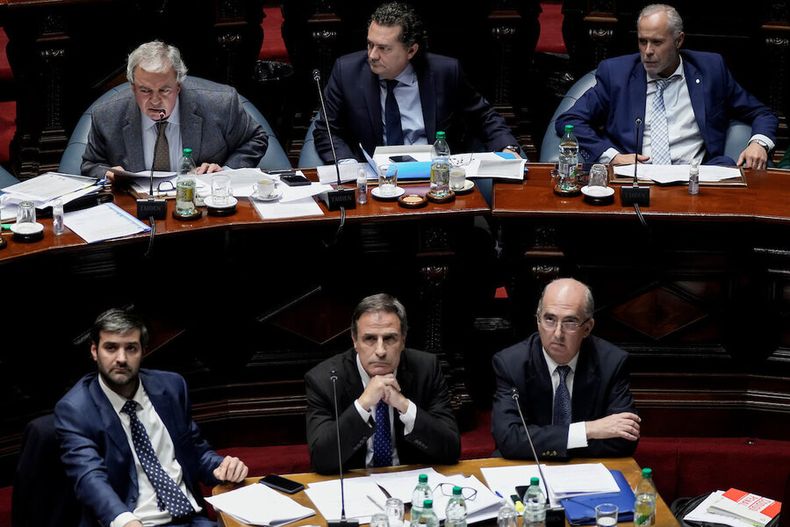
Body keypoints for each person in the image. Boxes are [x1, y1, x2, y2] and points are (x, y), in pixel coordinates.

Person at [55, 308, 249, 527]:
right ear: (94, 351)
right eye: (111, 348)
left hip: (192, 519)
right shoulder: (75, 409)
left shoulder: (171, 387)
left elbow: (195, 452)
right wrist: (125, 520)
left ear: (143, 351)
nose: (121, 358)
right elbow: (89, 477)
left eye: (131, 348)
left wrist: (221, 466)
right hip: (135, 521)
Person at [556, 4, 778, 169]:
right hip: (637, 176)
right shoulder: (617, 74)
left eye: (657, 42)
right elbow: (570, 121)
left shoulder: (711, 70)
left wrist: (758, 143)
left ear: (679, 40)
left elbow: (761, 112)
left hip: (697, 177)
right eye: (643, 41)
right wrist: (611, 155)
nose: (648, 51)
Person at [313, 2, 522, 163]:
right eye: (370, 45)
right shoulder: (347, 72)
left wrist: (508, 149)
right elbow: (326, 131)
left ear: (411, 50)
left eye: (384, 48)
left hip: (435, 177)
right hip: (374, 182)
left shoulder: (445, 72)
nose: (372, 55)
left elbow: (484, 117)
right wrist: (347, 163)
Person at [304, 293, 460, 474]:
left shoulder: (426, 369)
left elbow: (451, 450)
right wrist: (363, 405)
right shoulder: (324, 380)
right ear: (354, 340)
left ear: (403, 340)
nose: (380, 351)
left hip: (410, 482)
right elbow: (322, 460)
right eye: (370, 339)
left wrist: (404, 405)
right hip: (355, 484)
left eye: (389, 338)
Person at [491, 278, 640, 460]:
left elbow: (625, 440)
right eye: (550, 319)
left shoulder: (612, 362)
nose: (558, 333)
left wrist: (544, 441)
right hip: (526, 470)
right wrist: (588, 430)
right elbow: (509, 440)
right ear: (538, 320)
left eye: (570, 322)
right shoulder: (511, 363)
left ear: (587, 328)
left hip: (588, 472)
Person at [82, 40, 268, 180]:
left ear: (178, 86)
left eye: (164, 90)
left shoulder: (220, 104)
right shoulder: (107, 116)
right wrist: (108, 174)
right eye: (145, 90)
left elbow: (256, 139)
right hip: (138, 212)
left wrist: (224, 173)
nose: (155, 100)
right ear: (133, 88)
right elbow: (91, 164)